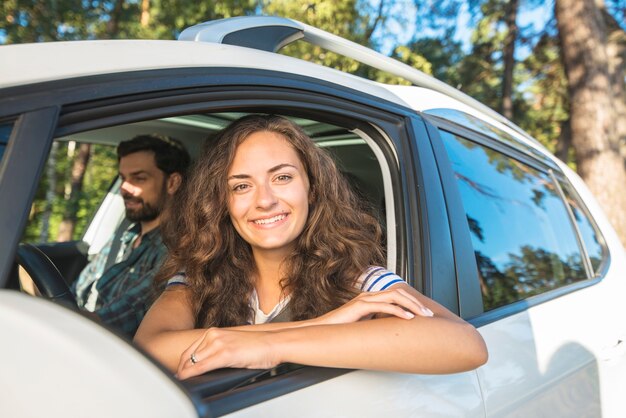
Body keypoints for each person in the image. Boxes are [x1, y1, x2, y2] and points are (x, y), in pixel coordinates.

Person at [134, 115, 487, 378]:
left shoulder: (358, 280)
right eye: (242, 186)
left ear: (312, 189)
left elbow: (465, 344)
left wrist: (271, 346)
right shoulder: (198, 276)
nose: (265, 201)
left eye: (282, 178)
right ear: (222, 202)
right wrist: (328, 325)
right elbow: (149, 348)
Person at [72, 134, 190, 337]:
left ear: (173, 183)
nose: (124, 188)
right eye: (123, 178)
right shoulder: (125, 236)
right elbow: (78, 289)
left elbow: (123, 316)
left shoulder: (178, 248)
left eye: (139, 178)